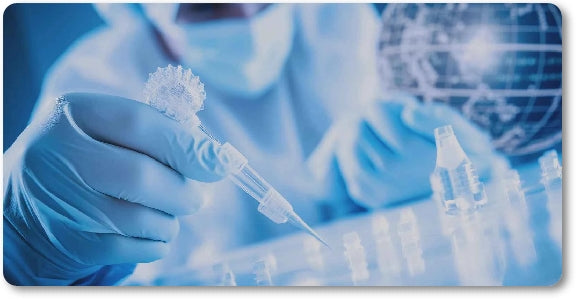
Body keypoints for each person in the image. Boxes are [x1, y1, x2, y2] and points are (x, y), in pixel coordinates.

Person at [3, 3, 495, 285]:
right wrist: (20, 249)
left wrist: (431, 168)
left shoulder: (335, 20)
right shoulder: (92, 80)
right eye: (205, 4)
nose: (243, 12)